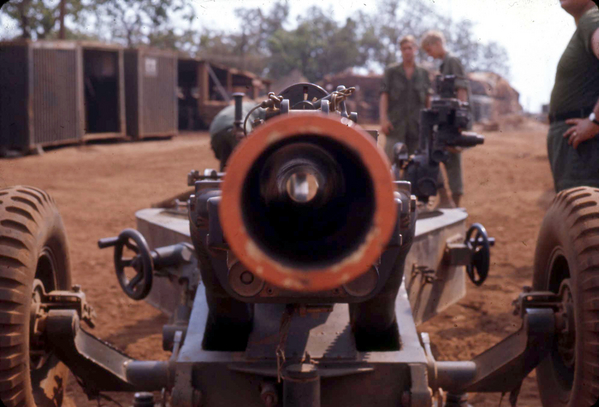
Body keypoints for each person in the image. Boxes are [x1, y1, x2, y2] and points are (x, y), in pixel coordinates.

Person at [547, 0, 599, 192]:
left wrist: (595, 121)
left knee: (583, 219)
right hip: (577, 148)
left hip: (584, 150)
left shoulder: (592, 18)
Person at [422, 30, 469, 208]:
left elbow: (461, 89)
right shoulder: (444, 64)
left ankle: (452, 202)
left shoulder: (452, 61)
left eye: (429, 50)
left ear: (436, 44)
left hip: (453, 120)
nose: (429, 54)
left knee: (452, 161)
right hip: (446, 119)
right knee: (438, 154)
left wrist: (460, 119)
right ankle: (446, 198)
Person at [379, 35, 432, 163]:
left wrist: (429, 123)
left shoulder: (423, 73)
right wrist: (383, 119)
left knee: (419, 165)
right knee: (389, 164)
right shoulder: (391, 71)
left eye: (410, 48)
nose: (407, 51)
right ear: (401, 51)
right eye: (404, 48)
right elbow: (384, 95)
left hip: (417, 128)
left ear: (415, 49)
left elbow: (427, 99)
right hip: (395, 126)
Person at [209, 100, 264, 171]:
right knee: (243, 164)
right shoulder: (262, 110)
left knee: (225, 161)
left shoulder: (248, 105)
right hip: (240, 129)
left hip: (217, 129)